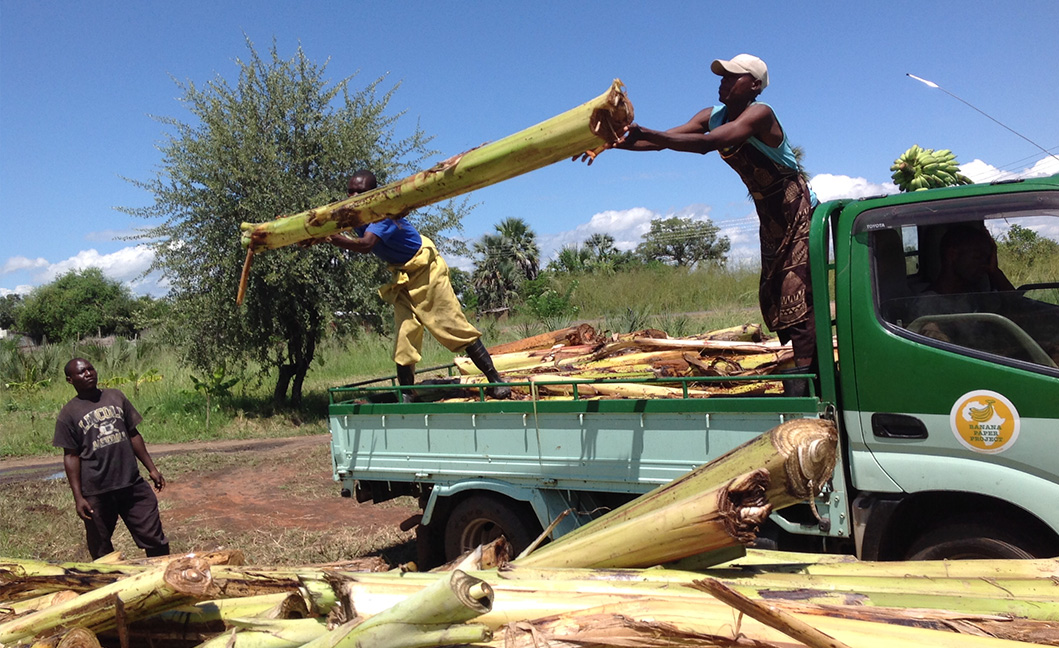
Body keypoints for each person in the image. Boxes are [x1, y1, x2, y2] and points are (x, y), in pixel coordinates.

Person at [611, 54, 818, 394]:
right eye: (722, 76)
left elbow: (707, 144)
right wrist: (608, 143)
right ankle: (801, 371)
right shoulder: (711, 115)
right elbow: (662, 141)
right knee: (774, 298)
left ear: (754, 85)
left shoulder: (761, 114)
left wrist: (647, 132)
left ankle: (810, 386)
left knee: (795, 297)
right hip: (770, 218)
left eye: (732, 76)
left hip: (796, 212)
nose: (723, 81)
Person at [318, 170, 510, 400]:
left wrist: (332, 238)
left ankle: (495, 379)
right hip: (403, 276)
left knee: (452, 325)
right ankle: (407, 394)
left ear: (374, 194)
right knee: (405, 336)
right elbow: (326, 222)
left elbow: (366, 245)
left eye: (360, 192)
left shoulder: (382, 216)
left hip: (426, 270)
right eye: (350, 191)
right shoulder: (352, 214)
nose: (353, 196)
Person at [53, 358, 170, 559]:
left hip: (131, 484)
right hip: (97, 491)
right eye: (81, 372)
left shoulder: (115, 396)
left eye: (90, 369)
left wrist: (152, 468)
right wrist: (78, 497)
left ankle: (161, 571)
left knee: (154, 537)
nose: (88, 373)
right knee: (101, 547)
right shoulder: (68, 414)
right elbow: (71, 456)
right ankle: (108, 578)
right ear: (70, 380)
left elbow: (133, 434)